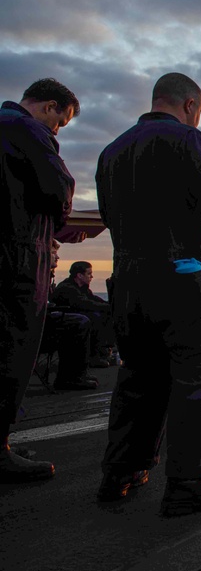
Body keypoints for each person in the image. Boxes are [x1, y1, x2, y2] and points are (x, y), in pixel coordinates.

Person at [96, 72, 201, 514]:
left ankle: (120, 471)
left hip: (128, 282)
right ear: (190, 106)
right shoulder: (190, 142)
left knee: (139, 376)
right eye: (198, 113)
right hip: (185, 276)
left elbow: (108, 214)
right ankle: (189, 480)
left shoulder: (112, 151)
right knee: (199, 373)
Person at [1, 78, 80, 483]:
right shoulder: (28, 130)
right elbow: (58, 190)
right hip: (14, 260)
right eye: (60, 123)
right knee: (11, 349)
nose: (57, 130)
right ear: (49, 107)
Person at [42, 242, 97, 391]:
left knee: (82, 319)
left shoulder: (45, 275)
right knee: (80, 322)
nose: (57, 256)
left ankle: (78, 373)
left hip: (41, 322)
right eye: (53, 253)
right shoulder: (64, 286)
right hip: (37, 327)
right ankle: (70, 377)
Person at [52, 260, 118, 367]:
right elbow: (85, 303)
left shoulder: (82, 288)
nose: (91, 277)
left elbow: (94, 299)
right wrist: (109, 307)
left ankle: (104, 350)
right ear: (80, 275)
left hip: (77, 317)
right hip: (68, 323)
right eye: (89, 274)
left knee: (104, 315)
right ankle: (94, 356)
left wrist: (110, 306)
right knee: (96, 318)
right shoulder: (68, 288)